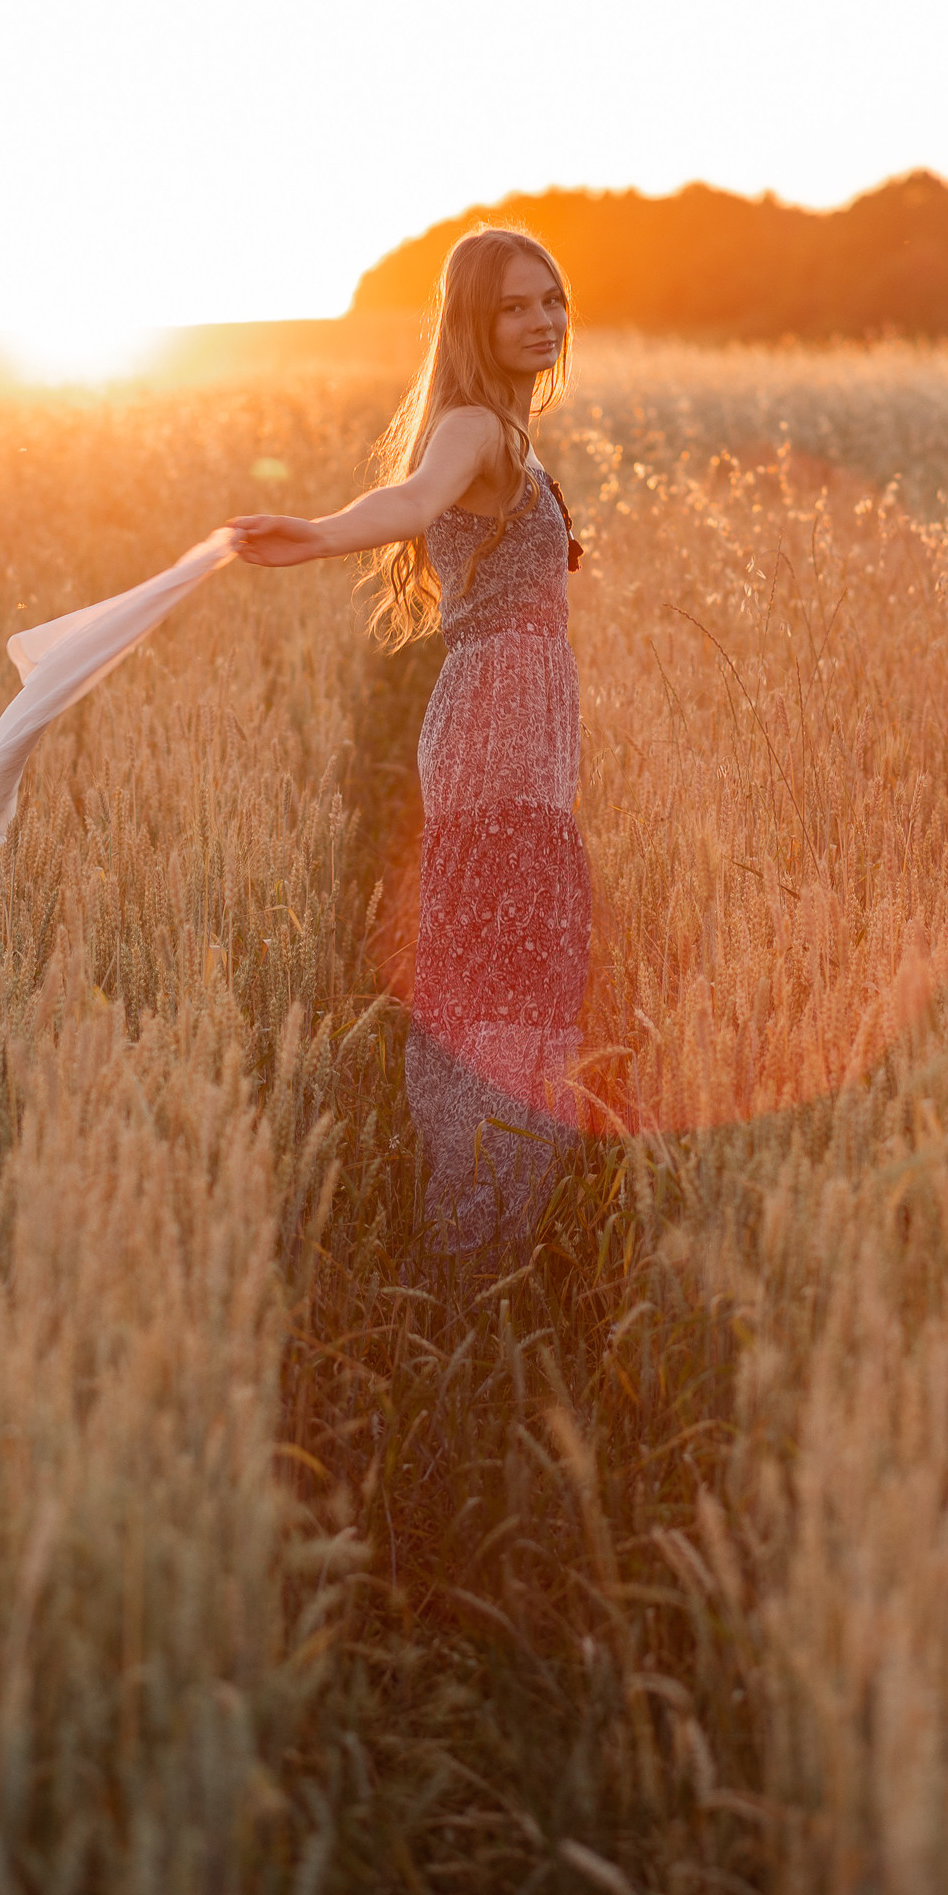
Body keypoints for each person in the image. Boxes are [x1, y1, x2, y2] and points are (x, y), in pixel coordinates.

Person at [229, 226, 589, 1254]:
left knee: (512, 958)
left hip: (517, 720)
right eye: (514, 306)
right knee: (511, 961)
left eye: (550, 300)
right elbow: (413, 500)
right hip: (496, 725)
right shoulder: (473, 426)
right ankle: (476, 1230)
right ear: (472, 323)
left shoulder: (510, 438)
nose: (539, 321)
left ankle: (482, 1218)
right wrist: (316, 534)